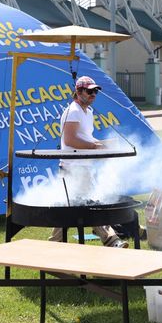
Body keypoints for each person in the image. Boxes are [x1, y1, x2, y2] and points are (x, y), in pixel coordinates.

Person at [49, 75, 128, 248]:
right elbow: (70, 140)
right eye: (89, 91)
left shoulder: (88, 112)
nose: (93, 94)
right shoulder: (73, 111)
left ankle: (55, 243)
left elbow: (85, 137)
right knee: (89, 205)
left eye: (95, 91)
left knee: (72, 207)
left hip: (81, 167)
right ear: (78, 92)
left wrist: (102, 144)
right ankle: (111, 240)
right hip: (73, 168)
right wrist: (95, 147)